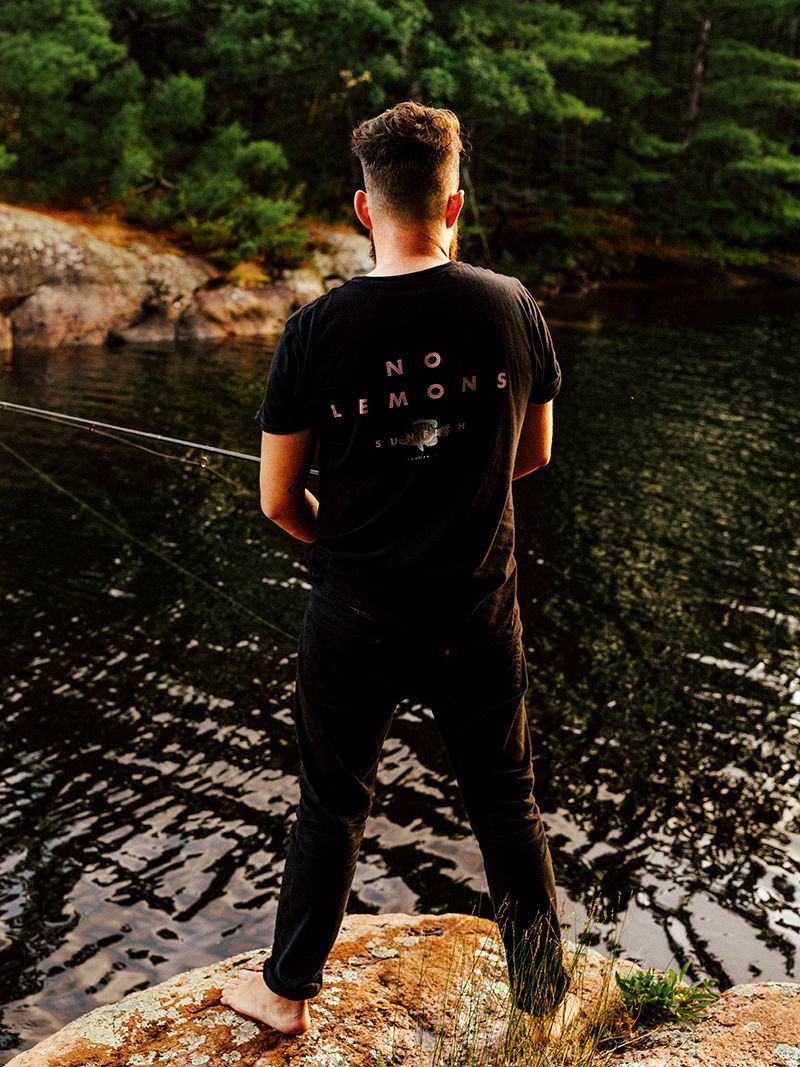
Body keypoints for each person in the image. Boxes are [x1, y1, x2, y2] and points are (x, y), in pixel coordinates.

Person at [220, 100, 573, 1040]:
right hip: (477, 610)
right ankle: (542, 1006)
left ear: (362, 208)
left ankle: (286, 993)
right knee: (508, 802)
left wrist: (350, 538)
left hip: (354, 613)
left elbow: (279, 502)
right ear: (454, 205)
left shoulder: (314, 331)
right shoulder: (511, 308)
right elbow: (531, 454)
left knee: (331, 802)